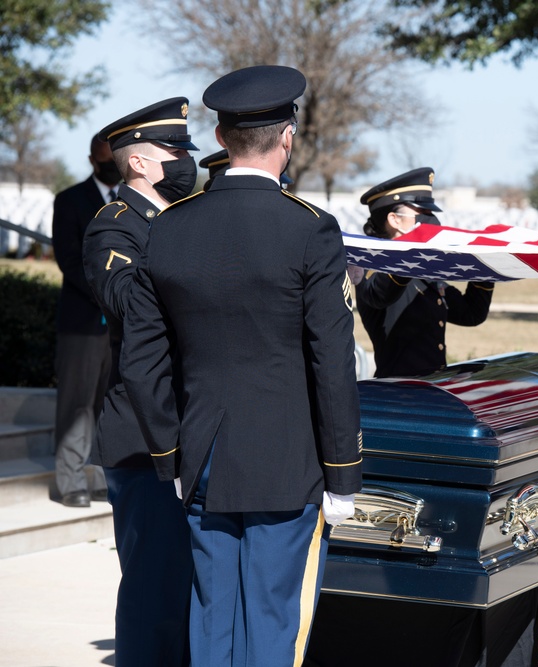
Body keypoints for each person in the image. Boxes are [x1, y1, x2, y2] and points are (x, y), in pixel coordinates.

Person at [120, 65, 362, 667]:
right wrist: (344, 473)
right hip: (289, 462)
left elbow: (144, 358)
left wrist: (168, 455)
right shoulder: (310, 229)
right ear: (287, 137)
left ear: (222, 139)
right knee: (275, 618)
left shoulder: (167, 229)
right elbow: (332, 359)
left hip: (201, 456)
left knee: (213, 613)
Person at [81, 97, 200, 666]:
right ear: (139, 165)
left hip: (191, 424)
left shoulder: (178, 222)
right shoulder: (113, 228)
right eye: (173, 152)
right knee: (154, 585)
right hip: (143, 436)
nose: (185, 162)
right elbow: (130, 305)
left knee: (189, 587)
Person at [356, 167, 494, 377]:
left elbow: (471, 313)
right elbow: (380, 293)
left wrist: (484, 266)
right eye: (423, 213)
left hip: (432, 389)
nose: (431, 221)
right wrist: (412, 250)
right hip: (398, 393)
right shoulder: (374, 267)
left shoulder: (425, 273)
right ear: (395, 220)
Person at [51, 134, 118, 507]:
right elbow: (69, 260)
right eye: (105, 158)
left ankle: (99, 478)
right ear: (92, 159)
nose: (111, 165)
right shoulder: (70, 200)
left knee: (108, 406)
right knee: (76, 404)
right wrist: (109, 293)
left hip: (119, 326)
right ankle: (70, 480)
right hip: (83, 322)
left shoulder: (127, 203)